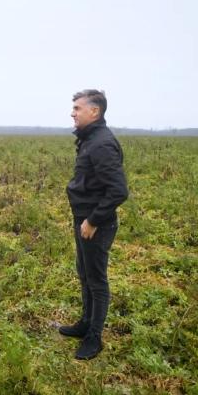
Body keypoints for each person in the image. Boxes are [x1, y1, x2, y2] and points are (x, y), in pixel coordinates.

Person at [60, 89, 129, 360]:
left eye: (77, 108)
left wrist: (92, 221)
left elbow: (118, 190)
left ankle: (94, 338)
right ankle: (85, 324)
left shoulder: (101, 143)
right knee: (85, 274)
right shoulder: (90, 139)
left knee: (97, 280)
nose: (72, 113)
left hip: (96, 223)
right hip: (85, 218)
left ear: (94, 111)